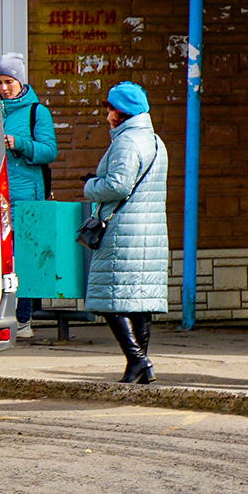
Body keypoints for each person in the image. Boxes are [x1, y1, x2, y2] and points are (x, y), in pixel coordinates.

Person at [82, 80, 169, 385]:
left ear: (122, 111)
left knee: (110, 298)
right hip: (151, 233)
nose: (107, 115)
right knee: (139, 300)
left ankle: (137, 360)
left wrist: (91, 185)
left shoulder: (127, 142)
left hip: (124, 233)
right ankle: (139, 367)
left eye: (110, 109)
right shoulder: (155, 141)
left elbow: (118, 185)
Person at [0, 53, 57, 337]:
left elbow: (49, 151)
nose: (4, 88)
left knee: (26, 258)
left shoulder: (37, 112)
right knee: (4, 257)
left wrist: (20, 143)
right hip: (0, 197)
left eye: (9, 81)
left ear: (20, 81)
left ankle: (24, 320)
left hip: (27, 198)